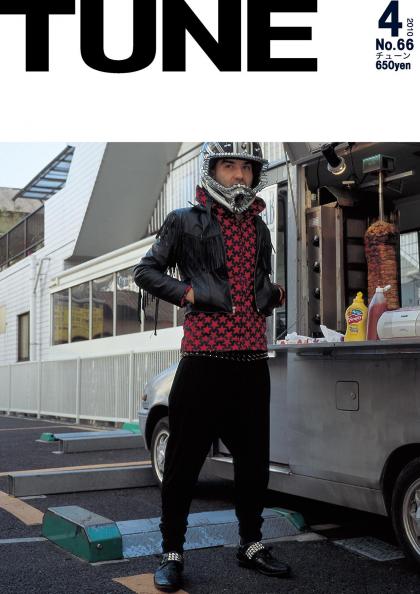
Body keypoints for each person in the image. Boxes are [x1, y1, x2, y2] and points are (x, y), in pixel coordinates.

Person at [134, 142, 289, 592]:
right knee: (183, 464)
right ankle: (172, 552)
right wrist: (189, 293)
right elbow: (146, 271)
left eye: (246, 168)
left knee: (253, 462)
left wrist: (272, 293)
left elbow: (257, 281)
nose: (239, 175)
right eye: (229, 166)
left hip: (252, 361)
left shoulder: (259, 225)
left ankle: (251, 544)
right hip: (203, 360)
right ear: (213, 170)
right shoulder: (184, 220)